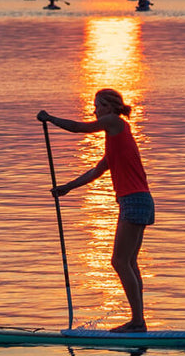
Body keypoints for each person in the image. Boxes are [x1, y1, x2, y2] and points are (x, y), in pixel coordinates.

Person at [38, 88, 153, 333]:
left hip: (134, 200)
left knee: (119, 261)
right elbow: (96, 171)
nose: (94, 110)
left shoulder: (114, 122)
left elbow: (80, 129)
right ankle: (139, 321)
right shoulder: (116, 139)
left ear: (110, 108)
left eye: (97, 105)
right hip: (138, 200)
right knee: (129, 262)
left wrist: (50, 119)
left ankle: (137, 322)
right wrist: (67, 187)